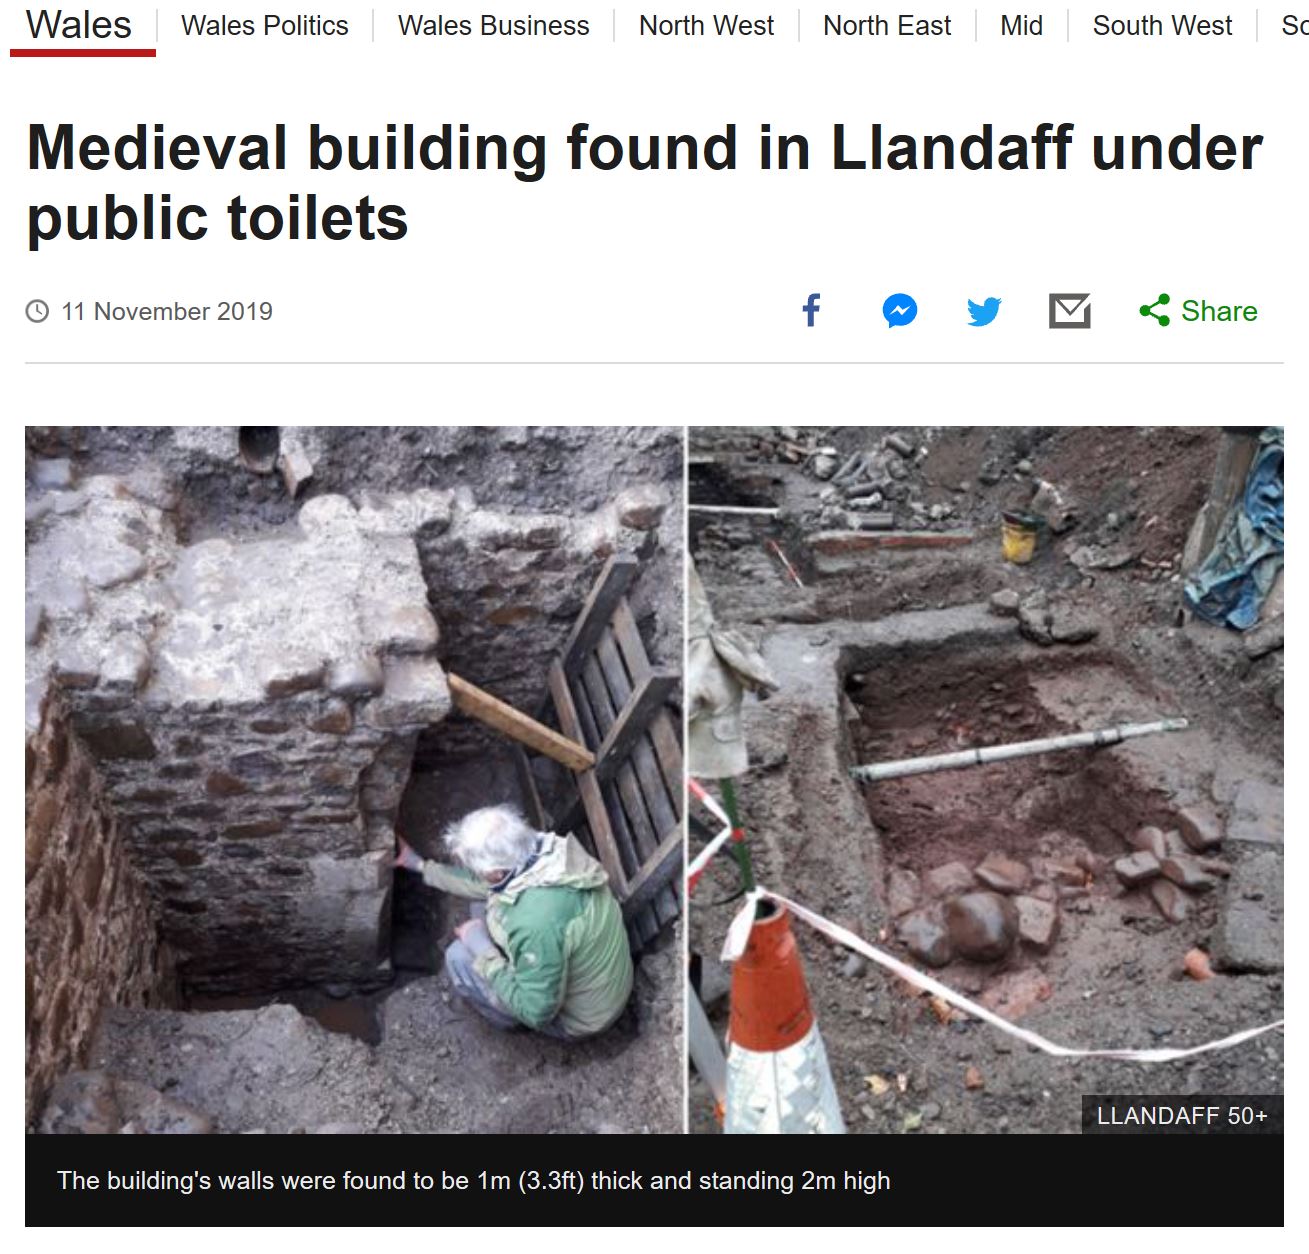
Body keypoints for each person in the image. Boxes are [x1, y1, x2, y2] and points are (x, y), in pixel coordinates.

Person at [394, 805, 633, 1040]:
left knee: (458, 957)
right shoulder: (543, 851)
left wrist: (483, 951)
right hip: (597, 981)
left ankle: (512, 1026)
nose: (474, 872)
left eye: (477, 869)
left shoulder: (535, 924)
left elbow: (537, 1011)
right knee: (483, 908)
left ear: (497, 872)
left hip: (582, 1017)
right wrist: (420, 866)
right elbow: (483, 885)